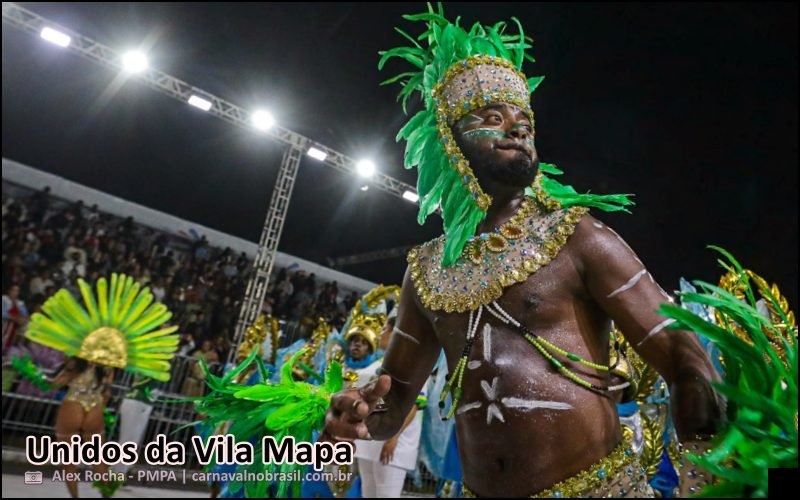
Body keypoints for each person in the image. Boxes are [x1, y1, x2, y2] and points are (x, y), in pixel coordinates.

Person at [323, 9, 722, 498]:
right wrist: (362, 414)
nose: (517, 130)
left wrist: (696, 394)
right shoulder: (426, 271)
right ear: (449, 140)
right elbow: (396, 396)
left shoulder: (577, 236)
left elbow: (676, 341)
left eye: (524, 122)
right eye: (493, 118)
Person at [48, 357, 115, 498]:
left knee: (69, 461)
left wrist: (36, 376)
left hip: (72, 406)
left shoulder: (76, 361)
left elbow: (56, 383)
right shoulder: (107, 366)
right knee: (100, 459)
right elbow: (107, 394)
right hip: (95, 408)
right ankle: (107, 494)